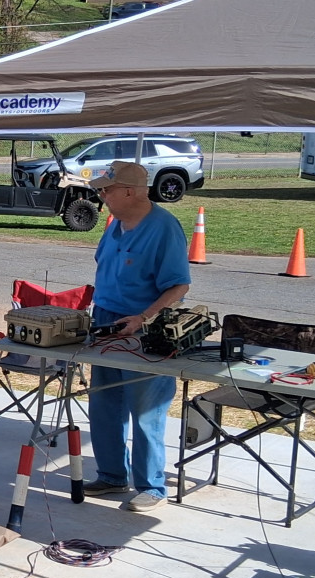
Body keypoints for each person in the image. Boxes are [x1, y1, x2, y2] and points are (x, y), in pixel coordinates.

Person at [83, 161, 191, 512]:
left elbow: (179, 285)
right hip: (106, 323)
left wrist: (144, 317)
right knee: (104, 404)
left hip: (144, 331)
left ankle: (151, 487)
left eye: (107, 190)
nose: (102, 196)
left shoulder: (163, 228)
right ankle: (112, 475)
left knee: (146, 410)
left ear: (130, 191)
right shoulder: (115, 225)